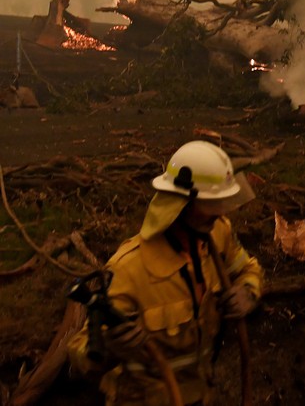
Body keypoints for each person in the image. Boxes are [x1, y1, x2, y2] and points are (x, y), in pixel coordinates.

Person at [68, 140, 263, 406]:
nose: (220, 214)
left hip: (204, 394)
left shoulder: (217, 234)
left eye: (222, 203)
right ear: (179, 203)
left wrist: (248, 292)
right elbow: (80, 353)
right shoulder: (129, 269)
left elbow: (247, 268)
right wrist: (111, 349)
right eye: (211, 205)